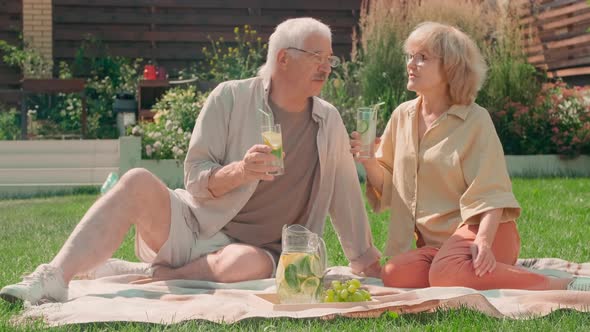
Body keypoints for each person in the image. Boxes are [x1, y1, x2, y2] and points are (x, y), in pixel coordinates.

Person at [1, 17, 381, 305]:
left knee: (249, 265)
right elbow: (195, 178)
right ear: (283, 59)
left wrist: (364, 259)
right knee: (135, 180)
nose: (327, 66)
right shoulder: (229, 98)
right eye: (317, 57)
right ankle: (53, 277)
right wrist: (240, 171)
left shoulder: (327, 119)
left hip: (260, 250)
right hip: (194, 223)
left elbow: (345, 191)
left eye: (330, 58)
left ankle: (149, 275)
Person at [350, 21, 589, 291]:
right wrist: (368, 160)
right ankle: (454, 268)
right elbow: (387, 185)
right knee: (394, 275)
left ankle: (562, 284)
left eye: (422, 57)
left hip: (485, 231)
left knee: (446, 275)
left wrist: (484, 242)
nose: (411, 64)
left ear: (450, 67)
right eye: (410, 56)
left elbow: (491, 190)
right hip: (436, 247)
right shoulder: (402, 116)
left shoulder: (475, 119)